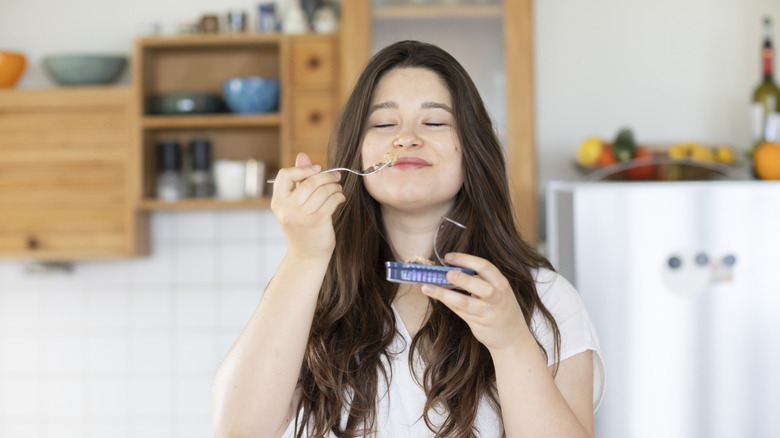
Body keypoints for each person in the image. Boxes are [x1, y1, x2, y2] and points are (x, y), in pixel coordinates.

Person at [211, 40, 605, 438]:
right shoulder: (312, 286)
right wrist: (304, 257)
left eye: (434, 123)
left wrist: (512, 344)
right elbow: (239, 430)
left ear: (472, 148)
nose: (407, 138)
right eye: (384, 124)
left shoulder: (546, 298)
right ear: (357, 151)